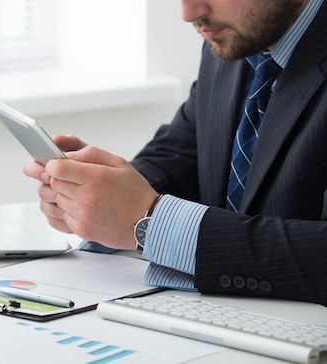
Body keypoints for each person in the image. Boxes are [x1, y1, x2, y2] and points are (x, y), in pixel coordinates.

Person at [23, 0, 327, 307]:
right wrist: (96, 195)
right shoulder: (235, 37)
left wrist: (152, 222)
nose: (188, 13)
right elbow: (182, 156)